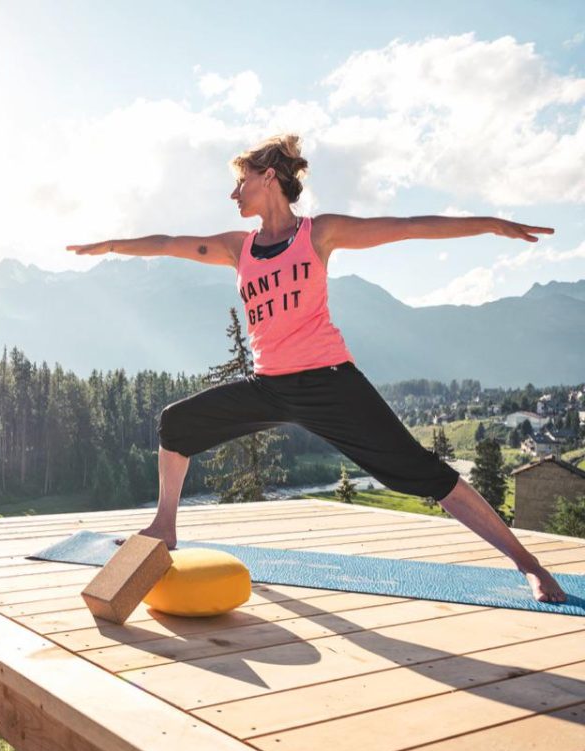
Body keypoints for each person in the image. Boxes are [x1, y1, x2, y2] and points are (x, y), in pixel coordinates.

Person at [66, 133, 566, 604]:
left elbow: (409, 226)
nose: (233, 193)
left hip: (330, 384)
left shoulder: (318, 234)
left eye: (241, 181)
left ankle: (529, 564)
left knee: (422, 474)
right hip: (268, 386)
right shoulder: (237, 248)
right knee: (177, 423)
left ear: (268, 177)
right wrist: (111, 246)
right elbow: (169, 242)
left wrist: (491, 224)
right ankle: (165, 525)